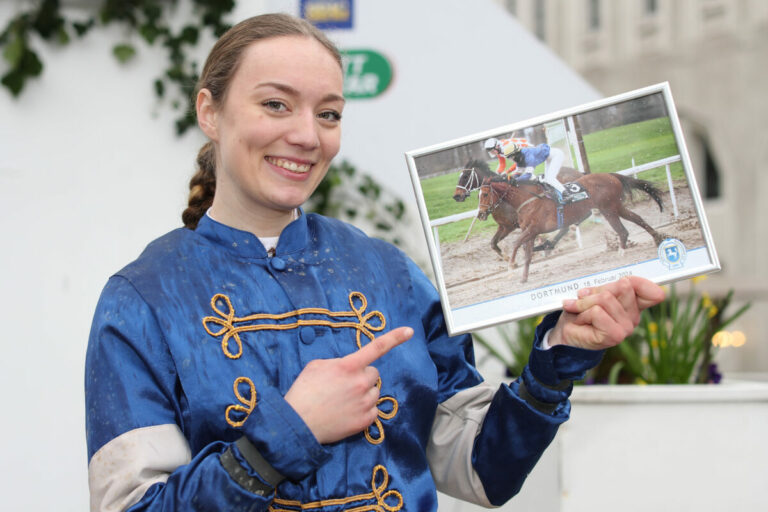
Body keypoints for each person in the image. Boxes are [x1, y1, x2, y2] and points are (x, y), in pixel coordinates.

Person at [84, 13, 665, 512]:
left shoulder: (389, 273)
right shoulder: (142, 299)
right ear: (209, 112)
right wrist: (288, 434)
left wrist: (557, 358)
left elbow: (483, 472)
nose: (307, 135)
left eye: (329, 114)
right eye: (275, 104)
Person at [484, 137, 569, 203]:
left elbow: (527, 175)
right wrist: (507, 178)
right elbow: (518, 172)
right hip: (547, 157)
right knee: (546, 179)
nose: (510, 160)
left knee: (549, 179)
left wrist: (514, 179)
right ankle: (555, 194)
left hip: (556, 155)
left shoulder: (528, 157)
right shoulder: (517, 157)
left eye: (511, 157)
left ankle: (566, 194)